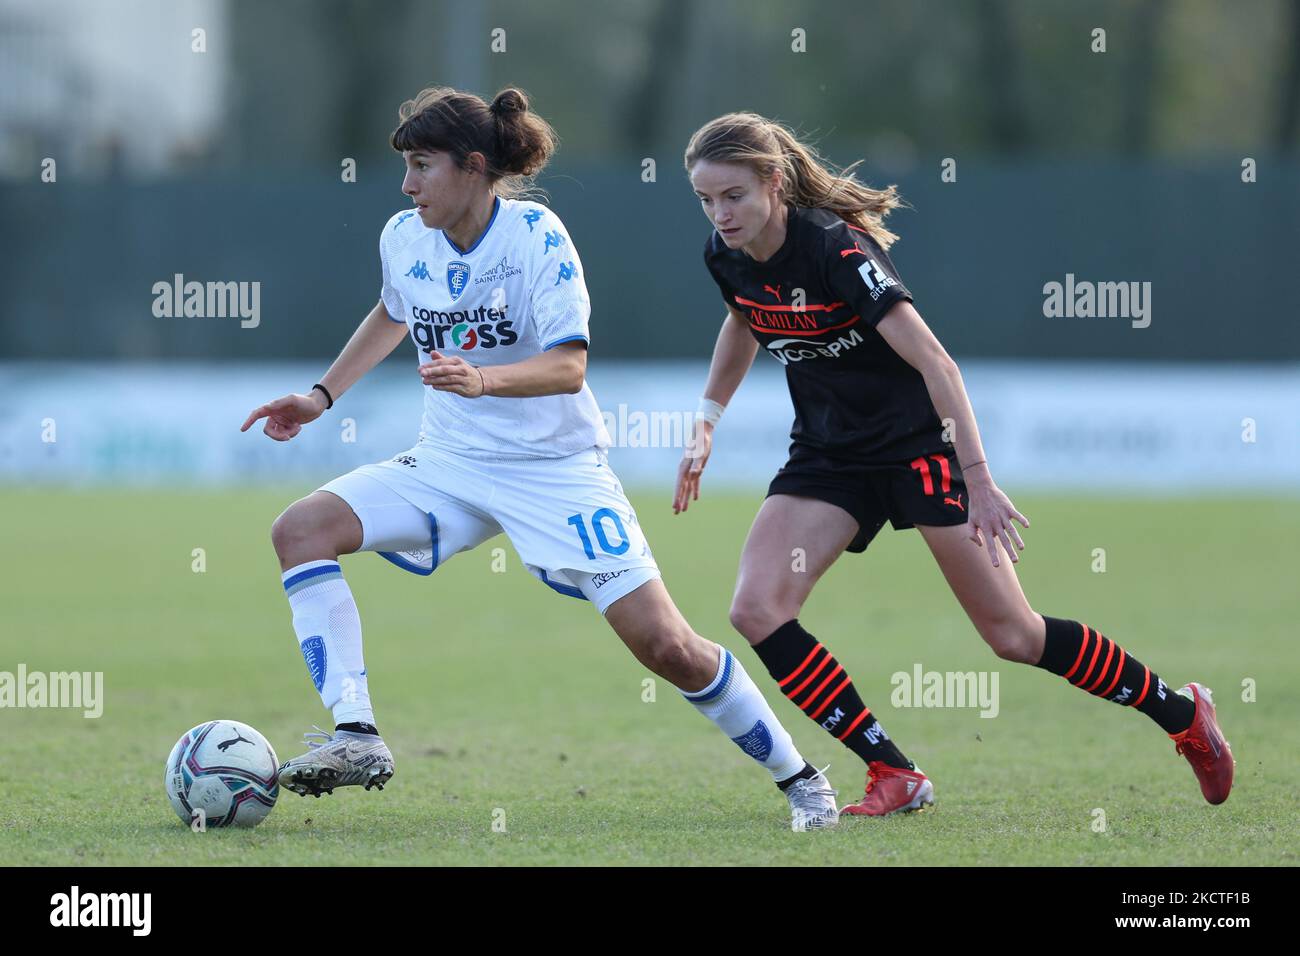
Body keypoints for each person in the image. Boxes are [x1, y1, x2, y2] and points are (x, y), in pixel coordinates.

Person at [240, 88, 839, 831]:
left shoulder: (535, 236)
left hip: (555, 470)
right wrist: (321, 396)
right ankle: (357, 735)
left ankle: (802, 778)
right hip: (448, 463)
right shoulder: (403, 235)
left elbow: (568, 367)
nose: (407, 185)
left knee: (668, 646)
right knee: (299, 529)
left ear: (473, 167)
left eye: (422, 166)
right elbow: (394, 311)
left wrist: (481, 378)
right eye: (405, 167)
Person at [673, 112, 1234, 815]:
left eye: (734, 197)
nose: (720, 214)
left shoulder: (835, 250)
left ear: (774, 183)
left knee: (1014, 635)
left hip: (916, 447)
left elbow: (936, 362)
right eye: (706, 200)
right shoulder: (725, 255)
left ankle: (1180, 713)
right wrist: (708, 420)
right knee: (756, 608)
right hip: (828, 455)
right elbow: (744, 318)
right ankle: (892, 771)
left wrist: (978, 479)